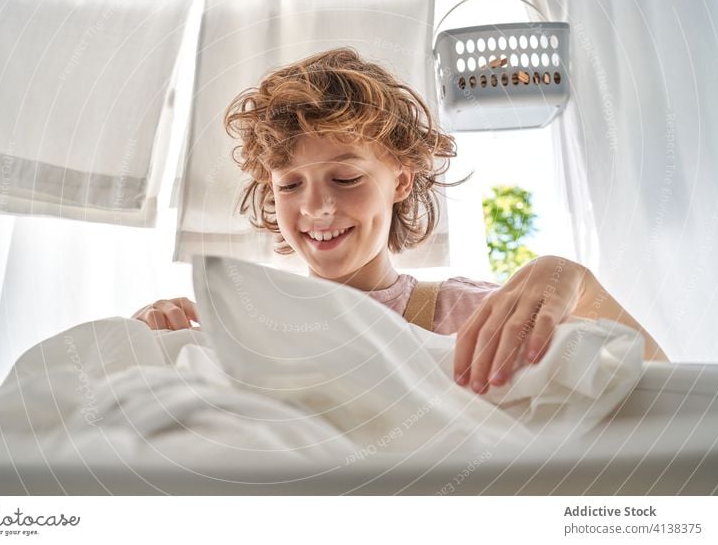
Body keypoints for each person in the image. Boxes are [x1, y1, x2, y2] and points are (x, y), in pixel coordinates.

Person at [133, 47, 668, 395]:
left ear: (402, 180)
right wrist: (144, 341)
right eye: (290, 185)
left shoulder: (471, 315)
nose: (317, 208)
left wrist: (574, 279)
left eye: (345, 179)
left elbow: (672, 392)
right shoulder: (243, 328)